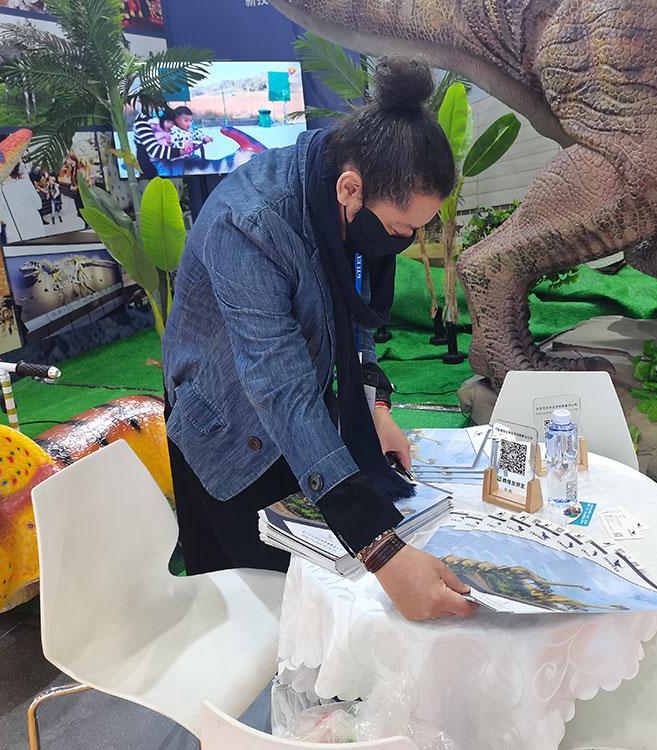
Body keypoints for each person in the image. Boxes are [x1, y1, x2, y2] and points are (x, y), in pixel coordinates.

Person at [162, 57, 477, 622]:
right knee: (266, 609)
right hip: (229, 433)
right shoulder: (249, 225)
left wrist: (374, 406)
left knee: (320, 594)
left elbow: (355, 309)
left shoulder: (337, 178)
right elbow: (278, 387)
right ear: (352, 190)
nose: (406, 240)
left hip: (300, 419)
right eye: (400, 228)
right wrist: (381, 549)